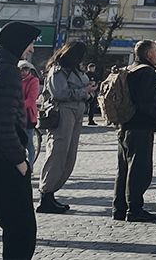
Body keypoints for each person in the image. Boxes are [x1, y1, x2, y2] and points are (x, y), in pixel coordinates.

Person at [0, 22, 41, 259]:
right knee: (22, 230)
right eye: (30, 43)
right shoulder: (7, 73)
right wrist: (20, 162)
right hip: (4, 163)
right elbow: (3, 125)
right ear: (18, 44)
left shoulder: (0, 68)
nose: (32, 49)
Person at [37, 40, 94, 214]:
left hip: (77, 112)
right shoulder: (57, 70)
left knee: (70, 155)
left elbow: (83, 90)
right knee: (58, 153)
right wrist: (84, 91)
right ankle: (46, 194)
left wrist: (89, 92)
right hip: (62, 112)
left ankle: (51, 192)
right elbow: (60, 93)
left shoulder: (77, 70)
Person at [112, 40, 156, 222]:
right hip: (140, 126)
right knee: (139, 169)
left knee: (124, 168)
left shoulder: (130, 69)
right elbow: (147, 102)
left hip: (124, 125)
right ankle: (135, 208)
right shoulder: (147, 72)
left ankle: (119, 208)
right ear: (149, 54)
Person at [19, 58, 41, 166]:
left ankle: (30, 166)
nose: (23, 72)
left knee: (28, 144)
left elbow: (31, 99)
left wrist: (18, 106)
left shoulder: (34, 81)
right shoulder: (15, 80)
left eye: (25, 69)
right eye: (21, 69)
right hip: (16, 115)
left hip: (27, 115)